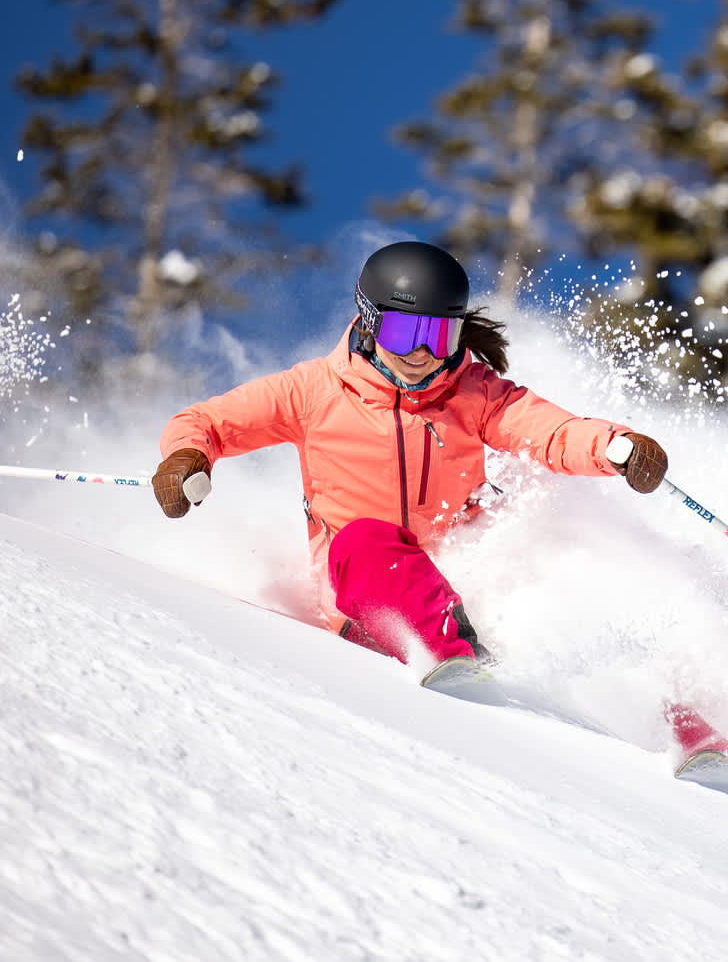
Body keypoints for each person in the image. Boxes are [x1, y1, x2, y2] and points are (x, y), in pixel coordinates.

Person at [149, 240, 673, 690]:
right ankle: (454, 656)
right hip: (363, 600)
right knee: (364, 539)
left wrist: (616, 448)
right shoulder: (313, 391)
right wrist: (187, 458)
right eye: (405, 333)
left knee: (565, 539)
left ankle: (662, 699)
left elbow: (553, 432)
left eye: (439, 334)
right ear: (372, 321)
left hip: (466, 585)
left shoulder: (474, 392)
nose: (423, 352)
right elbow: (208, 421)